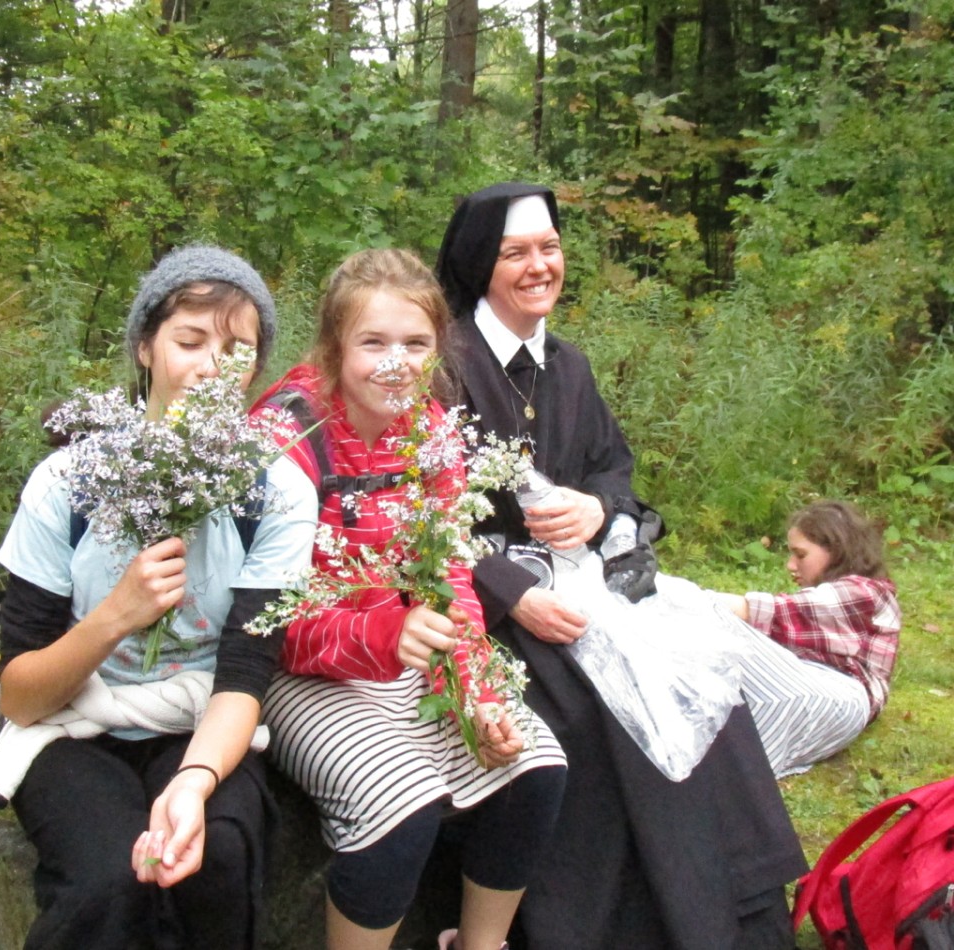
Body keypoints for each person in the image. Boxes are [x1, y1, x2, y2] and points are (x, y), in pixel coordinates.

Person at [436, 182, 808, 950]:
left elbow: (613, 468)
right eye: (516, 253)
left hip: (586, 586)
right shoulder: (445, 365)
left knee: (698, 677)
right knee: (591, 710)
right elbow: (418, 515)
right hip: (484, 605)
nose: (540, 266)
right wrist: (512, 594)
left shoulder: (568, 367)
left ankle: (737, 912)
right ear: (479, 265)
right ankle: (618, 928)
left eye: (550, 248)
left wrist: (597, 509)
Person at [0, 246, 317, 949]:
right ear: (145, 347)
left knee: (215, 856)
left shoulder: (277, 491)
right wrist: (116, 617)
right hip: (74, 723)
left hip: (199, 719)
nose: (210, 368)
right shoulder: (68, 481)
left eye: (236, 352)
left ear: (257, 369)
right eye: (189, 341)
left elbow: (244, 673)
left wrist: (194, 783)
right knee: (108, 880)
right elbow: (20, 695)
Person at [253, 248, 567, 950]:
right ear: (334, 346)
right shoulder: (287, 437)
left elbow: (452, 572)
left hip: (406, 648)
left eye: (416, 344)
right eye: (373, 343)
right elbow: (262, 617)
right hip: (295, 669)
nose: (396, 364)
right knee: (402, 803)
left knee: (534, 764)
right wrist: (386, 635)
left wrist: (474, 687)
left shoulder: (433, 431)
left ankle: (478, 944)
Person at [714, 500, 901, 776]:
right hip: (823, 698)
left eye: (800, 555)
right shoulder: (845, 597)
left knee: (719, 623)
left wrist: (679, 597)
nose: (791, 565)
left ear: (836, 550)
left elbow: (767, 612)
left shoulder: (866, 592)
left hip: (840, 696)